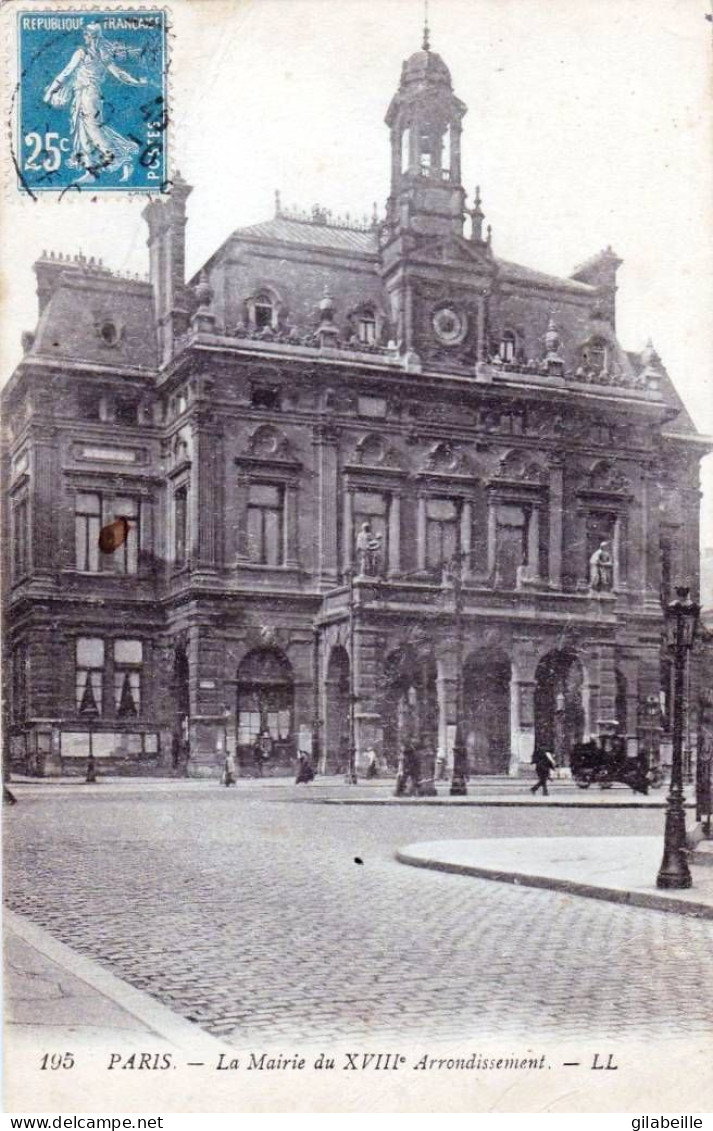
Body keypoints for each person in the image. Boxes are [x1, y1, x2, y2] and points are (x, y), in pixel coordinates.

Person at [43, 23, 148, 183]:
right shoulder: (102, 53)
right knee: (84, 131)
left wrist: (51, 91)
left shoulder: (82, 53)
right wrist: (136, 81)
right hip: (84, 94)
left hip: (88, 94)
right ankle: (91, 171)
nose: (84, 37)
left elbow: (66, 73)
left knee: (92, 130)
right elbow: (119, 74)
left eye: (86, 34)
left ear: (91, 36)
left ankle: (117, 157)